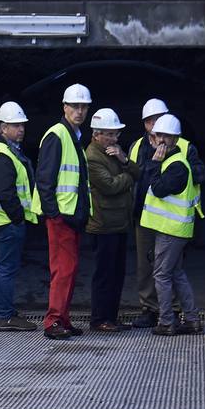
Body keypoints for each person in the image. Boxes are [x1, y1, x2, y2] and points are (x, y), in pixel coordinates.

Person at [128, 99, 205, 328]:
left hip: (170, 222)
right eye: (150, 121)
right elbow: (134, 177)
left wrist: (167, 167)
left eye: (159, 120)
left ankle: (168, 317)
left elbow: (164, 186)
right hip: (148, 215)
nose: (155, 128)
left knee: (163, 272)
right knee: (154, 267)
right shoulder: (137, 146)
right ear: (145, 124)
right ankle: (153, 309)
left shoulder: (182, 149)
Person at [35, 83, 93, 340]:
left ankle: (63, 318)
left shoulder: (73, 137)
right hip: (61, 217)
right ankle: (53, 321)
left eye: (83, 107)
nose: (79, 111)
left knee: (68, 268)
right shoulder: (57, 135)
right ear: (65, 107)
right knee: (63, 269)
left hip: (70, 216)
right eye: (75, 106)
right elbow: (44, 179)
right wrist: (54, 214)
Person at [0, 101, 39, 333]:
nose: (21, 129)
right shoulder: (1, 155)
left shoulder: (6, 151)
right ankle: (3, 316)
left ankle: (1, 313)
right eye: (15, 125)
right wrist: (18, 218)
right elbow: (6, 194)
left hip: (4, 221)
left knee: (2, 267)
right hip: (7, 222)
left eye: (22, 125)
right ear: (3, 128)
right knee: (6, 268)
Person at [84, 108, 138, 332]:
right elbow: (110, 186)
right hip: (103, 225)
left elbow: (138, 172)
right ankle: (99, 319)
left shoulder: (113, 151)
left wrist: (124, 158)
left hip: (119, 223)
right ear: (97, 135)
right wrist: (128, 176)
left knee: (117, 274)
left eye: (116, 134)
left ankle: (111, 317)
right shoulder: (93, 157)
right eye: (110, 134)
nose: (115, 138)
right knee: (105, 275)